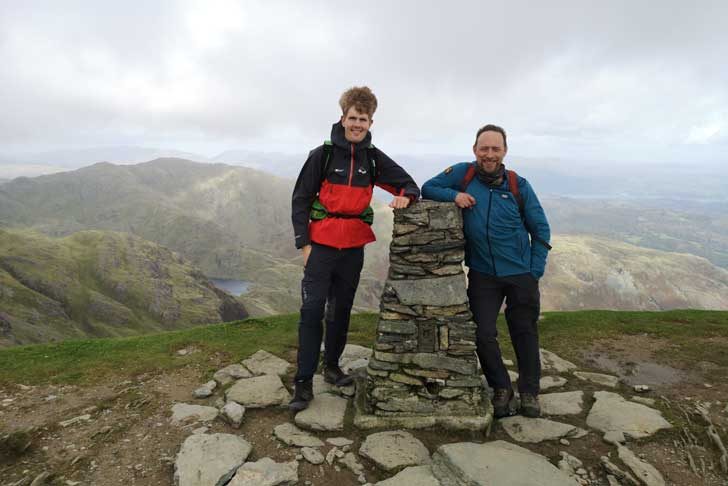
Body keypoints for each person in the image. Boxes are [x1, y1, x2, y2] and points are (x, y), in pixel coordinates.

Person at [289, 86, 420, 411]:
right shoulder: (323, 155)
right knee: (311, 311)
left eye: (363, 119)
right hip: (320, 245)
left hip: (353, 246)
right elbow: (301, 199)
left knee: (341, 310)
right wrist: (303, 244)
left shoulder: (372, 159)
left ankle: (331, 368)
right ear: (343, 116)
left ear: (370, 121)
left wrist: (406, 196)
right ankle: (303, 383)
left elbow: (408, 184)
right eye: (353, 118)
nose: (357, 124)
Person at [421, 124, 551, 418]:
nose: (489, 154)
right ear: (475, 150)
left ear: (504, 151)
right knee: (482, 333)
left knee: (525, 332)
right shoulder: (463, 175)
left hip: (520, 274)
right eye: (484, 148)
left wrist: (534, 271)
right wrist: (453, 196)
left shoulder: (519, 185)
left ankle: (529, 392)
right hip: (482, 273)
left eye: (495, 149)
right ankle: (501, 387)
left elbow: (541, 229)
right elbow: (428, 187)